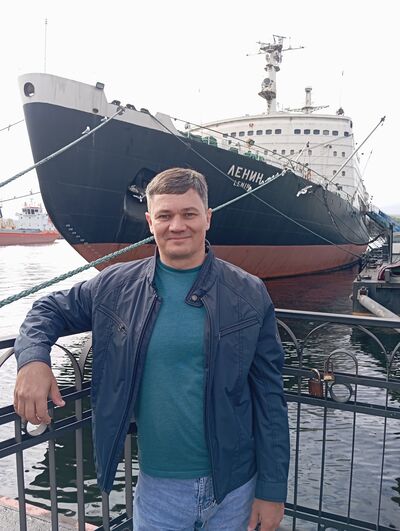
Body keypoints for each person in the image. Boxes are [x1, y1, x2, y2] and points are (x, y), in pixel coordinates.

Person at [14, 167, 290, 530]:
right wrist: (33, 360)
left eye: (189, 214)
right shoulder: (115, 285)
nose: (177, 226)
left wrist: (271, 490)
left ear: (208, 218)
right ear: (149, 221)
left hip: (236, 487)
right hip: (160, 491)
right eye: (165, 216)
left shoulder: (249, 292)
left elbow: (270, 396)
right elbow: (47, 310)